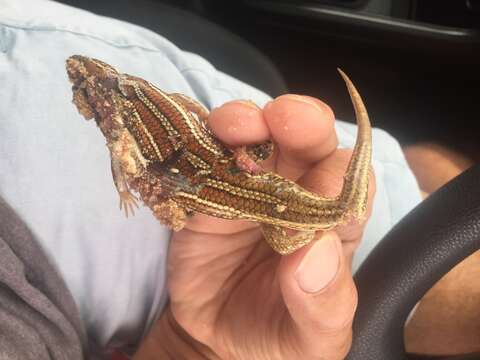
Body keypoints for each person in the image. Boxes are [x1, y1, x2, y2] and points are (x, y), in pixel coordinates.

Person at [0, 0, 422, 358]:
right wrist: (191, 346)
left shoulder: (75, 75)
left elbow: (130, 148)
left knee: (326, 179)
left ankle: (420, 167)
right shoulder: (121, 88)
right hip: (233, 196)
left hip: (228, 191)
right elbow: (133, 148)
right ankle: (423, 166)